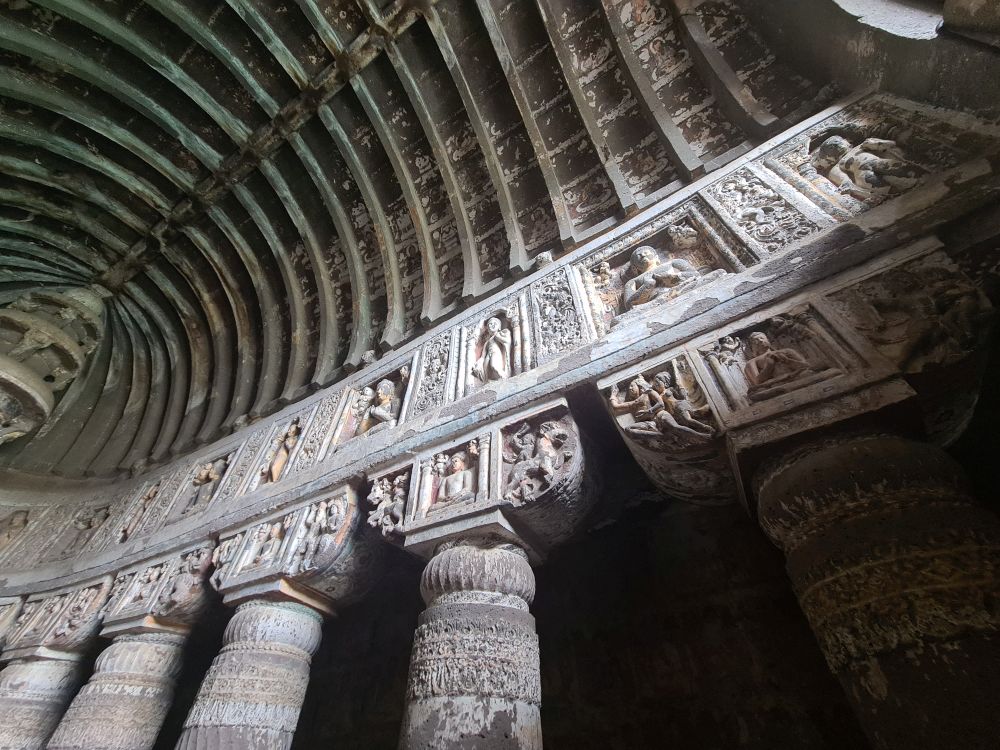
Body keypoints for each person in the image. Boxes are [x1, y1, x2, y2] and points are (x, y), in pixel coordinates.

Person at [622, 245, 702, 310]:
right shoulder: (633, 282)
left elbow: (695, 275)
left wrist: (670, 277)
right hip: (653, 303)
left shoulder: (673, 262)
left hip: (681, 290)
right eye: (638, 256)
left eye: (645, 253)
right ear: (635, 268)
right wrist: (647, 286)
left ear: (656, 257)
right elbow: (630, 305)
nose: (642, 255)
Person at [471, 316, 512, 382]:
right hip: (488, 355)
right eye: (490, 324)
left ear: (499, 327)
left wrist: (496, 335)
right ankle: (489, 380)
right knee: (487, 368)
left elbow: (507, 341)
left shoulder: (502, 333)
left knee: (494, 365)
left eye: (495, 323)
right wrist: (480, 360)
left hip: (496, 352)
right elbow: (483, 354)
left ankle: (503, 377)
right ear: (488, 329)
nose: (492, 325)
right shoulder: (487, 342)